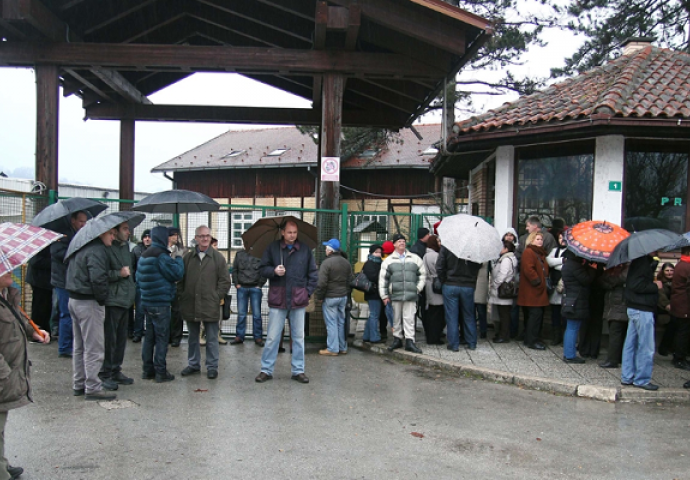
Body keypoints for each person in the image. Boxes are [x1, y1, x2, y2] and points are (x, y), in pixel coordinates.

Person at [0, 271, 51, 480]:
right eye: (3, 269)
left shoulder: (6, 296)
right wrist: (4, 375)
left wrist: (34, 331)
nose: (10, 271)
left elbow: (16, 321)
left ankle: (2, 464)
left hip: (9, 375)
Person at [255, 220, 318, 384]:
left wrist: (307, 293)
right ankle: (266, 370)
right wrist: (274, 271)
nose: (292, 236)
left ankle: (298, 370)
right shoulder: (272, 248)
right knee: (272, 337)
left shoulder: (305, 250)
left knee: (298, 338)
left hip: (298, 299)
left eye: (295, 232)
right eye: (289, 232)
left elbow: (313, 274)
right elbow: (262, 269)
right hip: (279, 298)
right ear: (282, 232)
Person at [65, 226, 117, 401]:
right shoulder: (97, 251)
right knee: (94, 347)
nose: (113, 236)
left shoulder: (80, 247)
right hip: (88, 302)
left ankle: (79, 383)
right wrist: (102, 299)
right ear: (101, 233)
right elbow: (98, 278)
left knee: (79, 346)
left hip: (74, 299)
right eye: (111, 233)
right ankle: (93, 387)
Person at [178, 226, 231, 380]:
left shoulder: (218, 258)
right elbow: (180, 280)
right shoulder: (187, 258)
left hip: (210, 304)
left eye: (207, 236)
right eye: (201, 236)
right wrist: (183, 295)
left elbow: (225, 281)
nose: (205, 239)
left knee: (212, 338)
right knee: (193, 337)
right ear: (196, 238)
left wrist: (216, 296)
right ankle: (193, 364)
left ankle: (212, 367)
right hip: (191, 303)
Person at [136, 226, 185, 383]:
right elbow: (177, 273)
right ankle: (160, 372)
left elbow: (139, 278)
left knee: (149, 337)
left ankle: (147, 370)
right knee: (162, 338)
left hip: (147, 302)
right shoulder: (161, 256)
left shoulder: (144, 254)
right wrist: (178, 258)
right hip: (161, 303)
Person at [99, 219, 136, 391]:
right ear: (115, 231)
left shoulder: (126, 248)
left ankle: (116, 369)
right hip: (112, 300)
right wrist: (118, 274)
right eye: (125, 229)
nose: (129, 232)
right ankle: (105, 372)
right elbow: (101, 273)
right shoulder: (105, 249)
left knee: (121, 338)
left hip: (125, 299)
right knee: (110, 339)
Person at [379, 233, 426, 354]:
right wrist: (384, 295)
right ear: (394, 244)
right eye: (399, 241)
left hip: (410, 294)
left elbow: (422, 274)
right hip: (395, 294)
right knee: (396, 318)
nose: (402, 242)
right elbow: (383, 279)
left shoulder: (415, 258)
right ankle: (397, 339)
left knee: (409, 318)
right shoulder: (388, 261)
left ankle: (410, 341)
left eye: (403, 241)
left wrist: (418, 288)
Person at [51, 210, 88, 358]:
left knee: (73, 313)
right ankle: (65, 347)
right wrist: (75, 251)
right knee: (66, 313)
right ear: (73, 220)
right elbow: (57, 253)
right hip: (62, 279)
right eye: (81, 221)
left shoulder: (79, 234)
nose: (83, 224)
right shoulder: (62, 235)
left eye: (85, 221)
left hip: (72, 279)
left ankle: (72, 344)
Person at [621, 252, 660, 390]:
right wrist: (656, 286)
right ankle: (642, 379)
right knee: (646, 346)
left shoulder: (640, 261)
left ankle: (627, 376)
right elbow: (637, 285)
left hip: (635, 307)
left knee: (630, 343)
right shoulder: (642, 263)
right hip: (642, 308)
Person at [436, 240, 481, 352]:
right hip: (468, 285)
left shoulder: (447, 245)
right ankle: (471, 343)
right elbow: (478, 265)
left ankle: (453, 344)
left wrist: (444, 280)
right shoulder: (473, 247)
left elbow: (439, 266)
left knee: (451, 316)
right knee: (469, 315)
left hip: (450, 284)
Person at [314, 239, 352, 356]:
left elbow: (322, 283)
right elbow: (350, 280)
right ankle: (342, 347)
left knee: (331, 323)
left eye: (326, 248)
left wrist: (319, 296)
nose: (325, 250)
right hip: (343, 296)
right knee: (341, 322)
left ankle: (332, 348)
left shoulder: (327, 263)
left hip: (330, 297)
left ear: (330, 250)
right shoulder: (346, 262)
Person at [560, 251, 597, 363]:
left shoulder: (568, 264)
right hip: (576, 300)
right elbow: (586, 280)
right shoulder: (574, 266)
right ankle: (570, 355)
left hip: (571, 299)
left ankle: (568, 353)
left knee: (570, 327)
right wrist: (592, 269)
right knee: (573, 327)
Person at [517, 231, 549, 350]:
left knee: (535, 316)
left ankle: (532, 338)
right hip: (533, 291)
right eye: (537, 239)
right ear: (531, 240)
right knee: (535, 316)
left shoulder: (540, 253)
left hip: (537, 290)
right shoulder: (529, 252)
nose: (540, 241)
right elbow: (529, 269)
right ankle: (532, 340)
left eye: (541, 239)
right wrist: (538, 282)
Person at [231, 242, 267, 346]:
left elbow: (263, 271)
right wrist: (237, 283)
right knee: (242, 314)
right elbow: (234, 270)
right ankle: (240, 336)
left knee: (256, 315)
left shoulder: (260, 255)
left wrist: (260, 284)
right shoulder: (239, 254)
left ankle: (258, 337)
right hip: (242, 287)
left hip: (255, 287)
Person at [598, 264, 629, 368]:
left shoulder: (628, 267)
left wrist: (609, 277)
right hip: (612, 305)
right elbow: (603, 282)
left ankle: (613, 360)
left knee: (616, 333)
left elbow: (619, 280)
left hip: (621, 304)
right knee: (616, 333)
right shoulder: (613, 268)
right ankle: (616, 358)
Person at [488, 240, 518, 344]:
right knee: (503, 313)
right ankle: (503, 334)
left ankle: (503, 336)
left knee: (504, 314)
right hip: (503, 289)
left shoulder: (506, 260)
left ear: (506, 248)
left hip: (503, 289)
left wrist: (495, 284)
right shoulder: (507, 258)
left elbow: (503, 274)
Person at [130, 229, 152, 343]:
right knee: (139, 310)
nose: (147, 239)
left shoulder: (156, 250)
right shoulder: (136, 250)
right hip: (140, 285)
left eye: (149, 237)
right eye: (145, 237)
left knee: (151, 312)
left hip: (152, 285)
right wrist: (135, 280)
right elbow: (132, 267)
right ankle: (137, 332)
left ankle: (149, 334)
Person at [670, 251, 690, 371]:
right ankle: (679, 358)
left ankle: (678, 355)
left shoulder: (680, 264)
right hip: (684, 305)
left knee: (679, 330)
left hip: (678, 303)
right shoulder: (687, 266)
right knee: (683, 332)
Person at [422, 235, 444, 344]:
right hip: (436, 285)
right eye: (438, 241)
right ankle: (434, 337)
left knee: (431, 313)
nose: (440, 243)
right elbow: (440, 269)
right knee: (437, 314)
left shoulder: (425, 255)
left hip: (428, 285)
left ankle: (431, 336)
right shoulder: (435, 256)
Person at [546, 232, 567, 345]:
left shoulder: (571, 251)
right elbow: (548, 261)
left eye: (563, 237)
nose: (562, 239)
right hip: (554, 286)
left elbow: (567, 267)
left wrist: (556, 263)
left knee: (564, 316)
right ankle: (556, 337)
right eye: (559, 237)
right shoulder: (555, 250)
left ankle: (564, 338)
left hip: (565, 286)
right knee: (555, 314)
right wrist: (561, 261)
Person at [26, 246, 52, 332]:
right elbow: (35, 261)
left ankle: (45, 329)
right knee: (40, 307)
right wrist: (54, 262)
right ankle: (38, 330)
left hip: (45, 281)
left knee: (46, 307)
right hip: (39, 280)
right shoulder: (39, 247)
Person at [362, 244, 384, 344]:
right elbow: (373, 277)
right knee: (374, 314)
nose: (378, 254)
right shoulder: (369, 264)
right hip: (373, 292)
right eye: (376, 252)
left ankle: (367, 335)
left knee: (373, 314)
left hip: (377, 292)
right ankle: (374, 336)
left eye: (380, 252)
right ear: (371, 253)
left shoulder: (380, 263)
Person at [168, 227, 185, 347]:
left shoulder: (182, 251)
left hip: (177, 285)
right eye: (174, 235)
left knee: (177, 312)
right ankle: (167, 335)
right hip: (165, 286)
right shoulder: (162, 250)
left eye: (177, 235)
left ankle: (176, 337)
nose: (176, 237)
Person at [657, 262, 677, 357]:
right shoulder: (659, 283)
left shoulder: (677, 282)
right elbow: (661, 299)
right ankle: (664, 347)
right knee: (673, 322)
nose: (669, 273)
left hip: (675, 310)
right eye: (667, 270)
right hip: (663, 311)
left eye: (671, 270)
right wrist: (667, 305)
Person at [381, 240, 395, 334]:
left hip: (384, 291)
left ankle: (385, 331)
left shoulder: (382, 262)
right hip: (395, 290)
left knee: (385, 312)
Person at [474, 262, 490, 339]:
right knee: (481, 312)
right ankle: (483, 331)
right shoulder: (487, 260)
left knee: (473, 312)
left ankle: (475, 331)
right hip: (482, 286)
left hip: (476, 286)